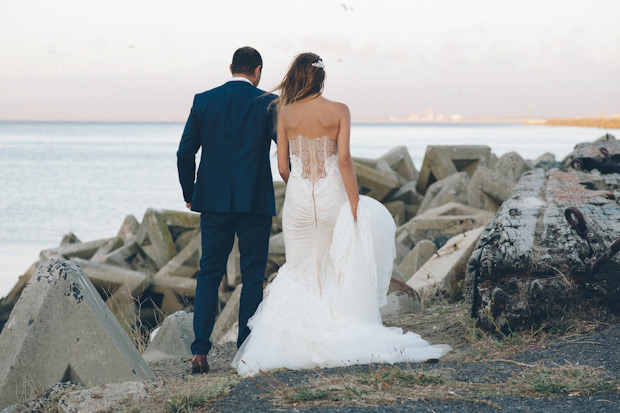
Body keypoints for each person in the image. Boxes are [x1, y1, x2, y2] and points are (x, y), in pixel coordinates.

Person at [232, 53, 450, 377]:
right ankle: (336, 328)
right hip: (333, 195)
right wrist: (355, 205)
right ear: (321, 77)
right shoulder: (340, 111)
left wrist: (301, 187)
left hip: (299, 201)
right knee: (333, 266)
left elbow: (281, 167)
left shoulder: (284, 112)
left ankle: (296, 341)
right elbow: (344, 160)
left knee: (300, 268)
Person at [177, 47, 277, 374]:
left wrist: (190, 193)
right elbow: (284, 147)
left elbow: (184, 153)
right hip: (255, 202)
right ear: (257, 71)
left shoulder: (204, 100)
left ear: (231, 67)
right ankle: (244, 352)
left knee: (209, 274)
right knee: (252, 276)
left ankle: (200, 352)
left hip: (214, 202)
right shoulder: (267, 103)